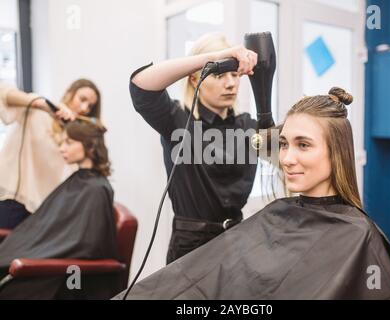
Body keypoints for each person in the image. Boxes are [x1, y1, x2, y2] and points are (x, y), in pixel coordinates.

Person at [115, 87, 390, 300]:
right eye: (284, 144)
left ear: (338, 152)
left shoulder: (358, 236)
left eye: (303, 145)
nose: (286, 158)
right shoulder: (279, 214)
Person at [130, 33, 260, 264]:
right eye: (219, 74)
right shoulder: (177, 120)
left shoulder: (249, 126)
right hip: (190, 247)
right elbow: (141, 84)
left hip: (236, 242)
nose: (230, 83)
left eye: (234, 74)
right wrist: (214, 57)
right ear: (194, 79)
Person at [0, 120, 119, 300]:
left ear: (90, 146)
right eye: (62, 142)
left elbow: (88, 245)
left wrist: (35, 253)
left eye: (69, 143)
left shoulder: (96, 189)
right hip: (47, 258)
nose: (62, 148)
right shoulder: (79, 179)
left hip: (68, 275)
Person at [0, 79, 102, 229]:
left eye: (90, 106)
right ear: (69, 93)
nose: (85, 108)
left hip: (40, 212)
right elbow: (3, 93)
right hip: (10, 200)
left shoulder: (73, 140)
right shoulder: (37, 112)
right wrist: (41, 105)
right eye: (82, 99)